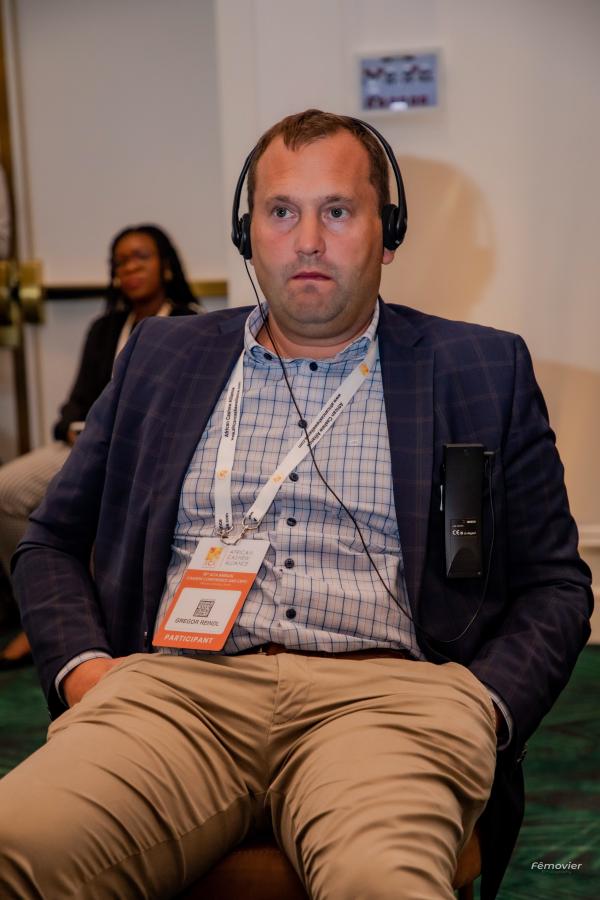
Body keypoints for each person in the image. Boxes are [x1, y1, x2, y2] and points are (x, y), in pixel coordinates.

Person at [0, 111, 592, 900]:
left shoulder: (480, 368)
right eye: (281, 212)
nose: (307, 241)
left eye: (337, 211)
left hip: (390, 704)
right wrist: (86, 672)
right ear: (247, 235)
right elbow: (50, 541)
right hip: (174, 696)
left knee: (381, 884)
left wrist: (483, 706)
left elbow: (555, 585)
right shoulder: (161, 356)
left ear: (389, 233)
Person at [0, 223, 199, 669]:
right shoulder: (105, 328)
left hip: (150, 454)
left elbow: (188, 410)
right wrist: (76, 429)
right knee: (6, 490)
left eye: (140, 258)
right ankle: (39, 611)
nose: (129, 269)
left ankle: (103, 618)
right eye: (120, 262)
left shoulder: (192, 325)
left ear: (165, 266)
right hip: (88, 447)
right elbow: (75, 404)